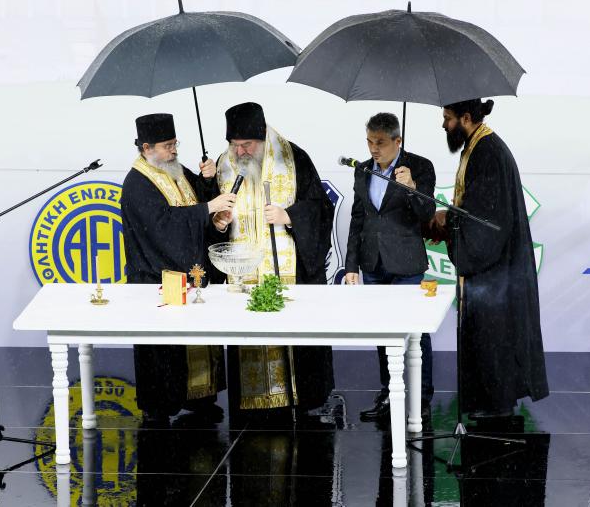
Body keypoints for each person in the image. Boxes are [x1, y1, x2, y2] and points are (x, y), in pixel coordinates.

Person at [425, 98, 549, 419]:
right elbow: (475, 208)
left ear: (466, 117)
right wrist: (449, 224)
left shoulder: (488, 152)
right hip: (492, 263)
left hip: (495, 266)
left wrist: (447, 222)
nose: (444, 125)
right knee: (487, 333)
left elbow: (485, 219)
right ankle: (489, 401)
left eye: (448, 118)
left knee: (493, 334)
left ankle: (497, 405)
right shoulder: (477, 146)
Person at [213, 102, 335, 418]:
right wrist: (219, 223)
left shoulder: (294, 158)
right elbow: (209, 212)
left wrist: (289, 216)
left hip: (288, 268)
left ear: (263, 137)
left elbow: (321, 208)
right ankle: (254, 402)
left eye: (247, 145)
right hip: (243, 271)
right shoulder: (224, 165)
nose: (240, 152)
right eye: (235, 145)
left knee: (295, 336)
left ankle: (299, 397)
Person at [120, 113, 236, 423]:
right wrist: (208, 207)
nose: (174, 151)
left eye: (175, 143)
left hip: (190, 270)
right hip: (156, 276)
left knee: (195, 339)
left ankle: (198, 398)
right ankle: (159, 405)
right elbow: (161, 226)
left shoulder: (175, 169)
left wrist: (208, 181)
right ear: (147, 147)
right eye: (167, 146)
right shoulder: (137, 183)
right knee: (163, 349)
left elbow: (196, 199)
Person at [344, 112, 437, 422]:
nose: (374, 149)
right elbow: (358, 218)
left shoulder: (420, 166)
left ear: (398, 141)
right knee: (383, 331)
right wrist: (351, 264)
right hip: (372, 263)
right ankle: (388, 394)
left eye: (381, 143)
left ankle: (422, 398)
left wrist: (411, 186)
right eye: (370, 142)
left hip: (406, 263)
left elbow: (426, 214)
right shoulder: (362, 170)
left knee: (415, 333)